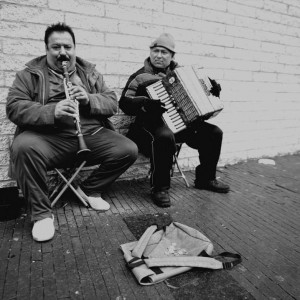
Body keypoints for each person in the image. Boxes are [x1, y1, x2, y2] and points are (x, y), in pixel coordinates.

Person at [6, 22, 138, 242]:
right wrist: (51, 111)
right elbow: (14, 107)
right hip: (46, 137)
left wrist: (89, 99)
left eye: (67, 47)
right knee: (22, 147)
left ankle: (90, 189)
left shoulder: (90, 73)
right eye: (56, 47)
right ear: (46, 49)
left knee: (128, 149)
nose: (62, 52)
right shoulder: (29, 74)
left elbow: (111, 102)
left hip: (90, 134)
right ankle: (41, 215)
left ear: (74, 48)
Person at [119, 33, 229, 208]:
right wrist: (145, 104)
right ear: (150, 52)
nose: (159, 55)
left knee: (213, 133)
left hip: (181, 123)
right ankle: (160, 188)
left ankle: (206, 178)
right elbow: (124, 103)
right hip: (147, 127)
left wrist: (213, 90)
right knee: (164, 135)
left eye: (164, 52)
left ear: (172, 56)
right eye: (156, 51)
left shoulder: (183, 74)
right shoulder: (139, 77)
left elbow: (202, 94)